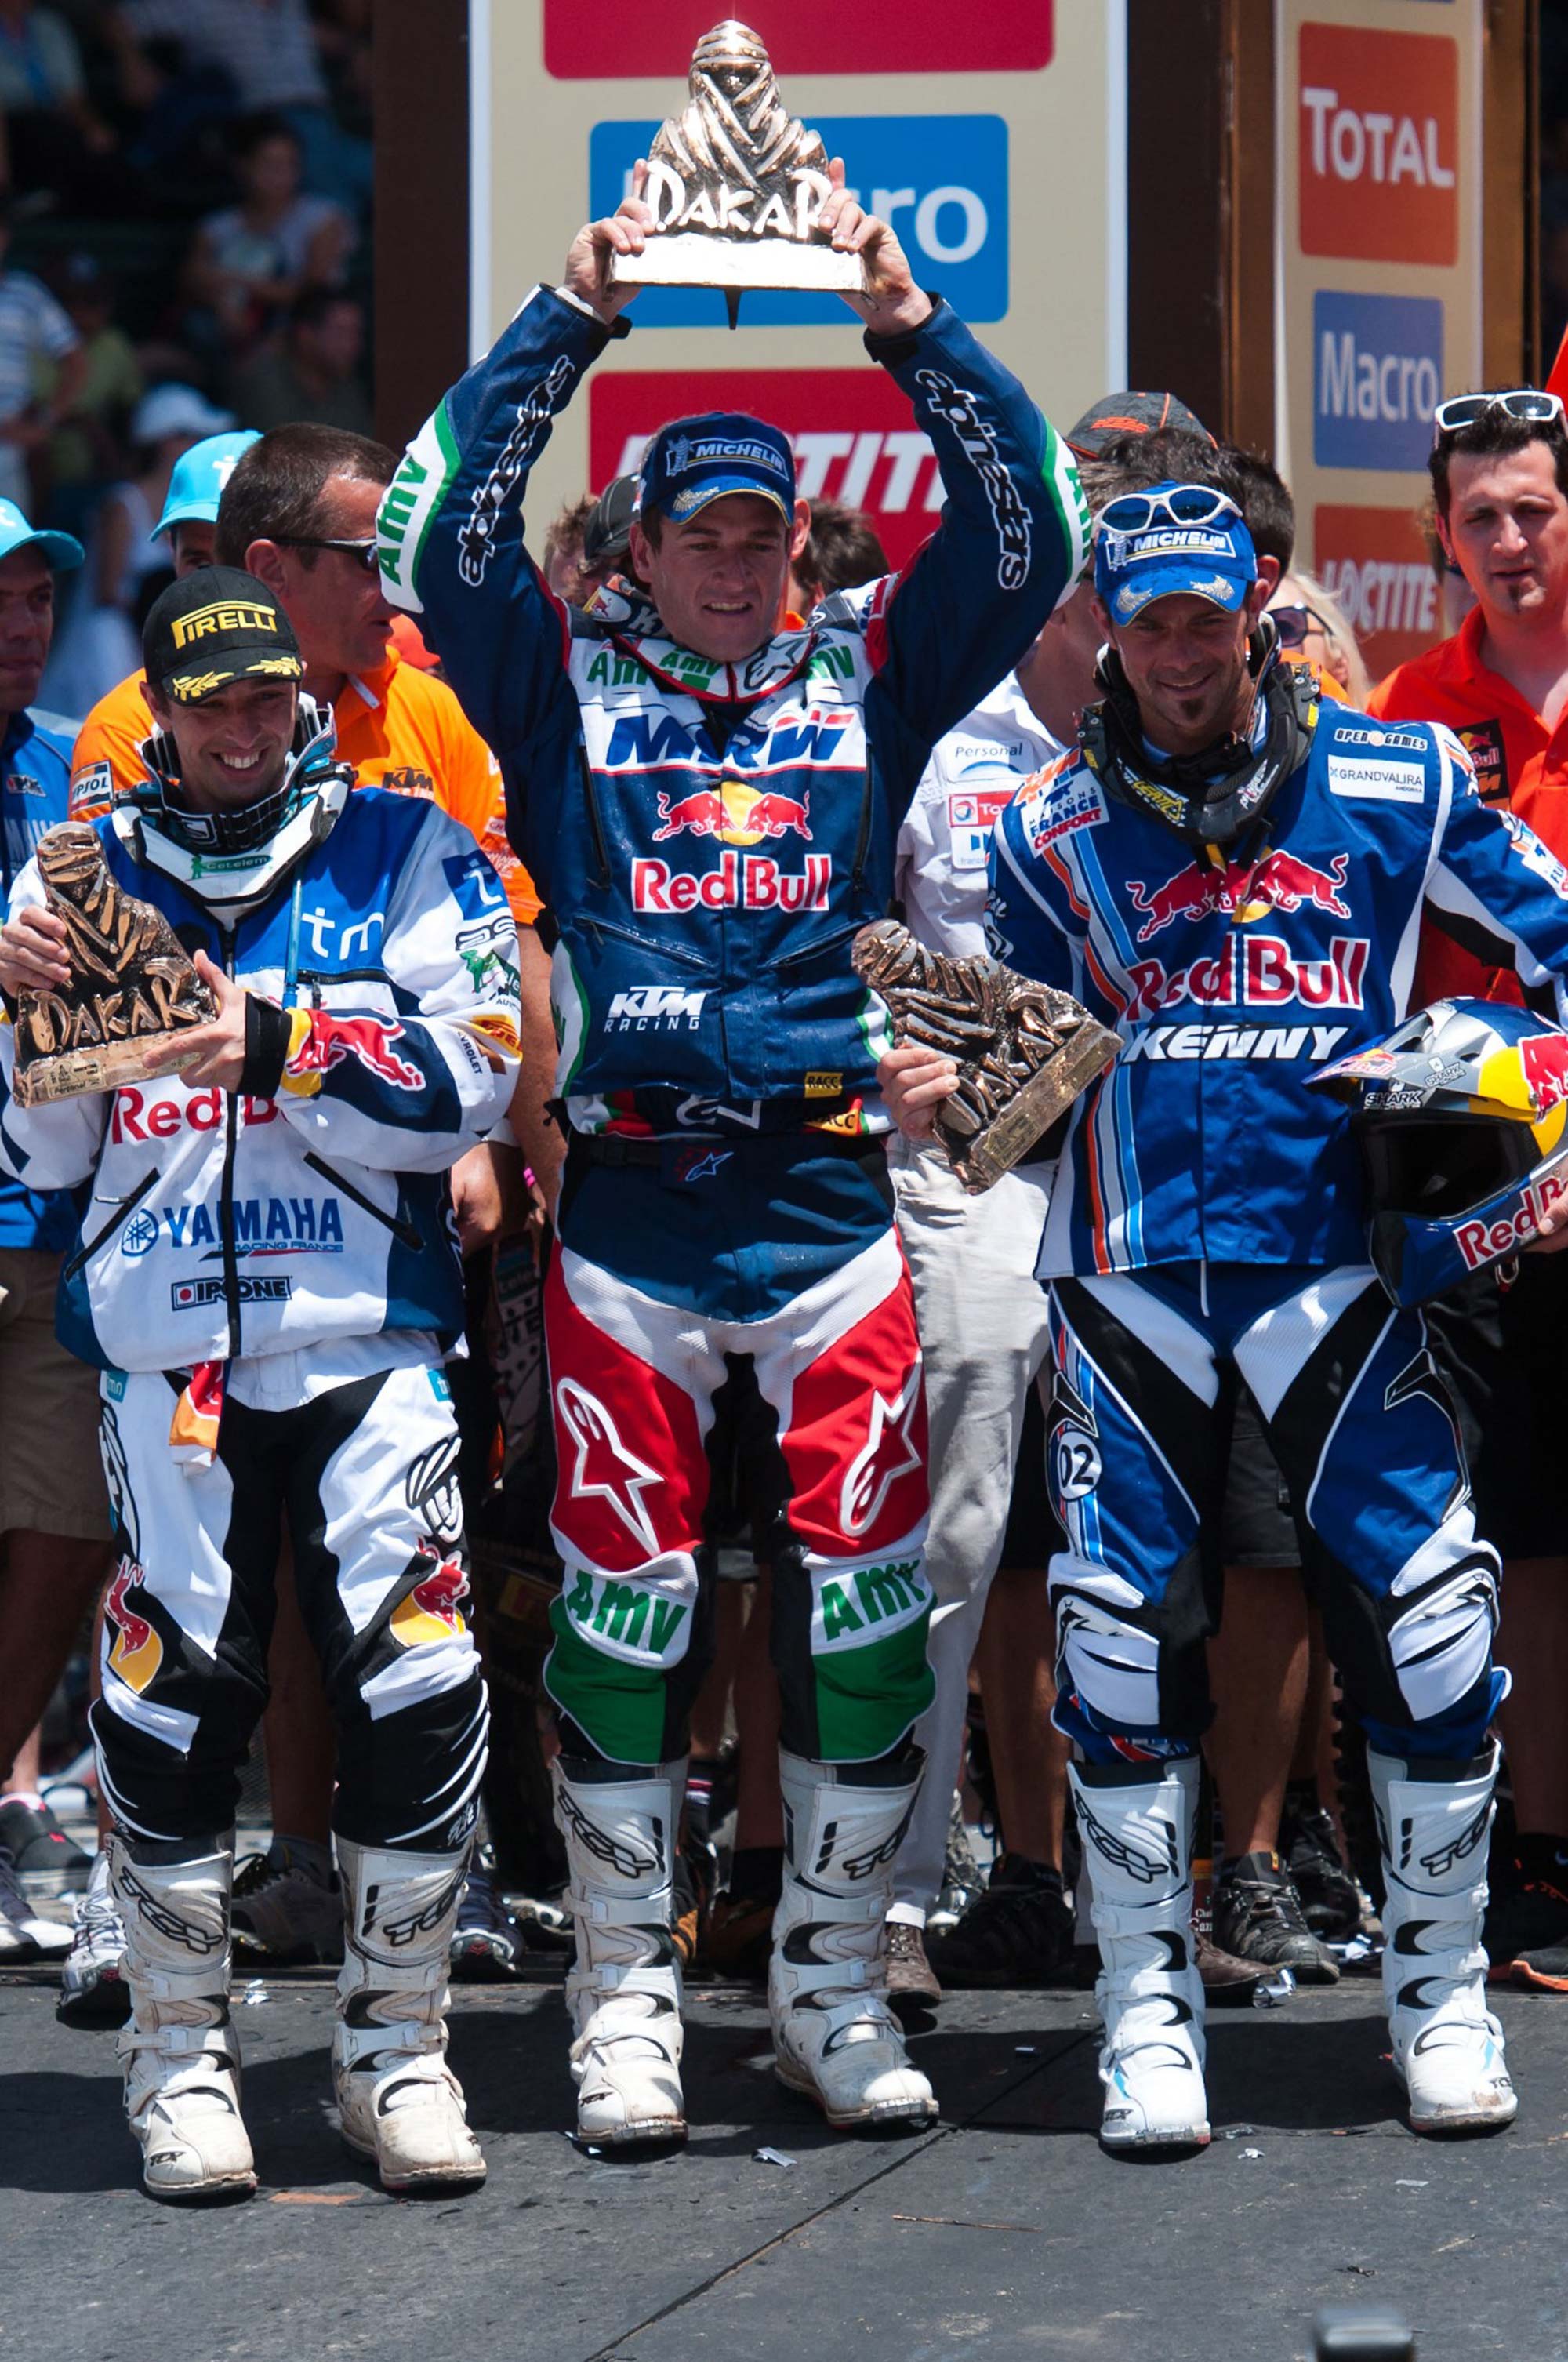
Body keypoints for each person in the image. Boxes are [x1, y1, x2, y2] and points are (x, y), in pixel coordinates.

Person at [377, 168, 1087, 2144]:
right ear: (641, 541)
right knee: (624, 1603)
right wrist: (565, 321)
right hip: (628, 1216)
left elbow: (1028, 535)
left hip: (827, 1200)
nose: (728, 562)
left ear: (793, 545)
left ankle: (829, 1988)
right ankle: (622, 1996)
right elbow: (436, 536)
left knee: (863, 1599)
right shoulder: (558, 686)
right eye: (695, 532)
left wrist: (912, 332)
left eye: (758, 532)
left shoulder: (865, 675)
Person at [885, 465, 1568, 2150]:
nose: (1182, 655)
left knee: (1433, 1618)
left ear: (1256, 613)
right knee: (1116, 1639)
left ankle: (1439, 1992)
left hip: (1342, 1267)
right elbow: (1010, 1077)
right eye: (1150, 628)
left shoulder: (1401, 776)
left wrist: (1531, 1115)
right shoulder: (1036, 830)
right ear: (1107, 632)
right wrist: (941, 1093)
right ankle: (1144, 2011)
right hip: (1124, 1277)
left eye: (1207, 621)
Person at [0, 568, 520, 2200]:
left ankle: (397, 2054)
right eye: (211, 702)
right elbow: (42, 1155)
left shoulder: (410, 845)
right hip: (168, 1352)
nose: (244, 729)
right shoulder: (75, 873)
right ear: (155, 710)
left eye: (268, 698)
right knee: (169, 1696)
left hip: (368, 1336)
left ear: (304, 696)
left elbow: (482, 1069)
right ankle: (177, 2060)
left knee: (421, 1675)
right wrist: (19, 1013)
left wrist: (286, 1044)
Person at [1371, 387, 1568, 1990]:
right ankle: (1536, 1851)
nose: (1509, 542)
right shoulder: (1405, 714)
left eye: (1535, 512)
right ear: (1441, 536)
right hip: (1487, 1187)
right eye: (1480, 517)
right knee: (1518, 1527)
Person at [0, 496, 115, 1961]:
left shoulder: (82, 767)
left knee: (67, 1532)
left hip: (60, 1214)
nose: (22, 625)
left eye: (36, 599)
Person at [43, 384, 236, 719]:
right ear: (166, 442)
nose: (201, 443)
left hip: (158, 637)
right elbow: (107, 592)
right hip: (109, 644)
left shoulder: (194, 509)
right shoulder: (122, 504)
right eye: (192, 435)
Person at [185, 111, 352, 365]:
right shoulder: (217, 226)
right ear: (243, 166)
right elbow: (191, 278)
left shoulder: (322, 218)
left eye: (290, 165)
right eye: (270, 165)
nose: (281, 175)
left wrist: (233, 283)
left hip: (296, 342)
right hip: (223, 335)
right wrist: (222, 305)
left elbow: (310, 291)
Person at [0, 194, 88, 513]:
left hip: (7, 452)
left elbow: (76, 362)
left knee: (8, 539)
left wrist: (44, 424)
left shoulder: (26, 293)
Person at [231, 289, 372, 438]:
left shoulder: (350, 391)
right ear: (306, 335)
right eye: (341, 333)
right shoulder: (266, 385)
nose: (353, 345)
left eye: (356, 334)